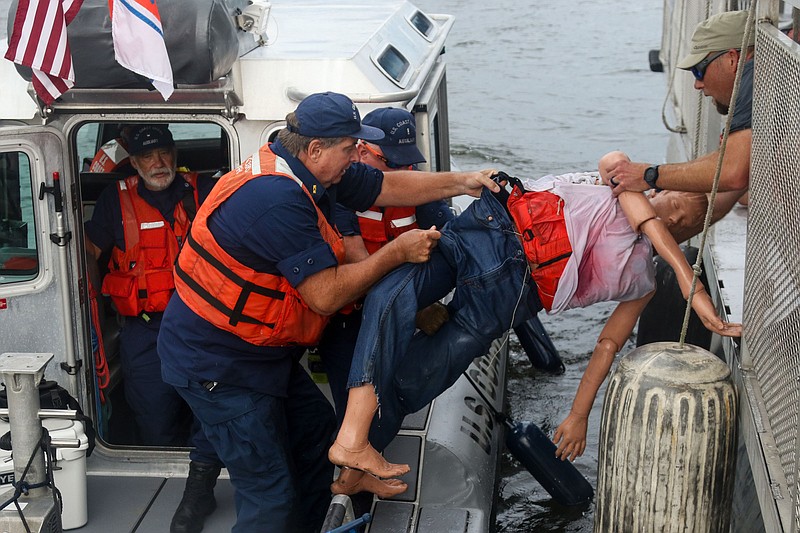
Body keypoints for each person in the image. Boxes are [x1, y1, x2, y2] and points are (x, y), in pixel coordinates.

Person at [156, 91, 500, 532]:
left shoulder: (310, 168)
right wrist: (394, 253)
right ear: (315, 148)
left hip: (260, 354)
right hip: (218, 364)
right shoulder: (276, 197)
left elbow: (386, 186)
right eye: (349, 148)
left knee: (316, 433)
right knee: (269, 494)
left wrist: (465, 181)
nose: (356, 156)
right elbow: (325, 296)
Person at [326, 151, 742, 489]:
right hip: (488, 234)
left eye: (684, 225)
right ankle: (351, 438)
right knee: (388, 295)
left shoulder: (644, 280)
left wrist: (579, 414)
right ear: (658, 190)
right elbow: (648, 216)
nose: (671, 221)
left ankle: (356, 466)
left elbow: (608, 345)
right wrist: (693, 287)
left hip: (509, 298)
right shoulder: (619, 183)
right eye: (672, 206)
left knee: (416, 382)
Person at [83, 124, 223, 533]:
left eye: (164, 153)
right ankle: (165, 487)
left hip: (203, 326)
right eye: (147, 156)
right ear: (134, 161)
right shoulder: (116, 199)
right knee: (155, 417)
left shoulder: (204, 190)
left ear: (175, 154)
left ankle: (205, 482)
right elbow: (90, 252)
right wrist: (93, 303)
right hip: (145, 330)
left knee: (210, 409)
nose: (158, 163)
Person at [320, 106, 454, 499]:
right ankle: (351, 491)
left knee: (388, 396)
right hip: (347, 318)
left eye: (404, 160)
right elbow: (355, 260)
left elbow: (447, 235)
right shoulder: (339, 191)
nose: (398, 169)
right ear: (361, 150)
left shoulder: (414, 186)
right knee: (352, 406)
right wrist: (418, 308)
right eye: (387, 160)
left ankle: (365, 467)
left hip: (398, 315)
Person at [602, 10, 754, 240]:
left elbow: (731, 173)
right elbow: (733, 176)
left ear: (732, 58)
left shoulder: (752, 76)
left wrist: (649, 175)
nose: (698, 84)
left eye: (699, 70)